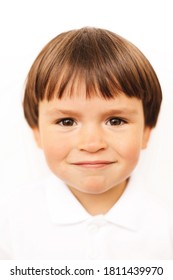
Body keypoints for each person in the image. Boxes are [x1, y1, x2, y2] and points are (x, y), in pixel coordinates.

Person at [0, 27, 172, 260]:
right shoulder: (11, 221)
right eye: (67, 121)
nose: (92, 144)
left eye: (115, 120)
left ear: (146, 132)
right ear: (37, 132)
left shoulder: (165, 228)